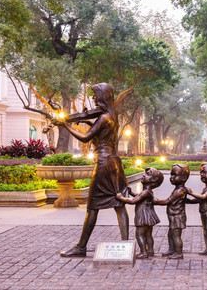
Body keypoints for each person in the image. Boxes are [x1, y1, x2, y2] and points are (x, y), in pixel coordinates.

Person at [55, 83, 130, 257]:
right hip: (114, 162)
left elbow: (86, 137)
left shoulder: (103, 117)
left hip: (103, 162)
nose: (94, 99)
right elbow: (99, 130)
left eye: (96, 96)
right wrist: (85, 120)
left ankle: (81, 247)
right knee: (119, 204)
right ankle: (126, 245)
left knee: (92, 207)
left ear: (102, 96)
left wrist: (66, 125)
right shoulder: (112, 115)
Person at [116, 167, 164, 259]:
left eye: (147, 174)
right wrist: (131, 192)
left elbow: (133, 201)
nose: (143, 175)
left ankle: (143, 252)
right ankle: (150, 250)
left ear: (153, 180)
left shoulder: (145, 192)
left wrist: (120, 197)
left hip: (143, 216)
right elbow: (139, 197)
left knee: (139, 234)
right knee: (148, 234)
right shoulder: (148, 192)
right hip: (149, 215)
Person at [154, 163, 190, 259]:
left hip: (177, 216)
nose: (171, 177)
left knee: (176, 235)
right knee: (171, 234)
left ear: (184, 178)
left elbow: (167, 201)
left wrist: (154, 201)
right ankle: (171, 249)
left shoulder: (179, 191)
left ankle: (179, 253)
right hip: (173, 216)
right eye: (171, 174)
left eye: (174, 175)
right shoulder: (178, 189)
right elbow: (185, 201)